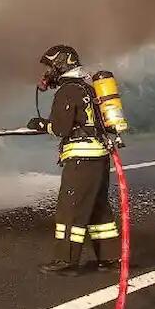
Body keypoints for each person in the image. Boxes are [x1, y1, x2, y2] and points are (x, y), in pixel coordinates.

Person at [26, 45, 120, 275]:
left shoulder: (68, 90)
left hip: (82, 158)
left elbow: (60, 128)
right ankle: (110, 258)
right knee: (97, 207)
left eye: (51, 66)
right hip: (99, 156)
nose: (48, 72)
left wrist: (41, 124)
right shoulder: (88, 87)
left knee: (70, 209)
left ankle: (66, 262)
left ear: (61, 64)